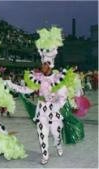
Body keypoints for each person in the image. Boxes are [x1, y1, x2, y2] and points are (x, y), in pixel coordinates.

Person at [24, 27, 85, 164]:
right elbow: (27, 89)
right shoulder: (38, 78)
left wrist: (54, 106)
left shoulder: (58, 79)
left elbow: (62, 98)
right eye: (42, 64)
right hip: (41, 111)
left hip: (54, 111)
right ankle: (45, 155)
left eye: (45, 64)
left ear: (50, 66)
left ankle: (58, 144)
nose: (42, 66)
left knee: (56, 134)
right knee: (42, 133)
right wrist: (10, 85)